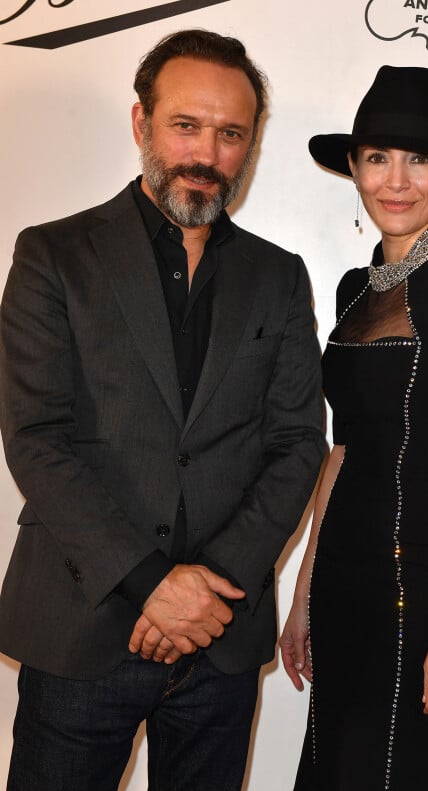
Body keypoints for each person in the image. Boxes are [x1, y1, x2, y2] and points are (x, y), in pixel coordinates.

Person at [0, 29, 325, 791]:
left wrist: (204, 587)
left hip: (220, 643)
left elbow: (297, 443)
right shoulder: (53, 255)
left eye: (230, 133)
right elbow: (36, 438)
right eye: (186, 125)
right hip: (81, 630)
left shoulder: (279, 278)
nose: (205, 152)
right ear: (143, 122)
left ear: (250, 144)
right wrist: (150, 583)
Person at [280, 65, 428, 790]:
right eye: (378, 157)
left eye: (420, 158)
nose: (397, 179)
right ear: (353, 168)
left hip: (422, 595)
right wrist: (303, 593)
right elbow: (344, 451)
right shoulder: (356, 288)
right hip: (343, 587)